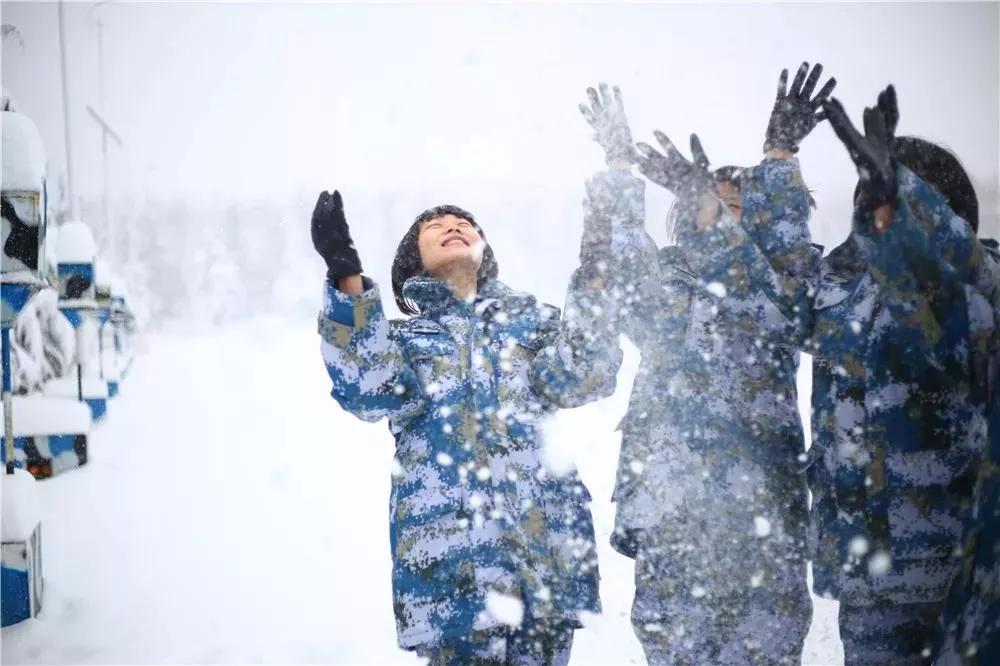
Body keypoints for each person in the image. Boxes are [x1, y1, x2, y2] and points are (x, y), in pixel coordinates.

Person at [311, 175, 627, 663]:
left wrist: (598, 263)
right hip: (450, 573)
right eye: (435, 226)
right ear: (413, 259)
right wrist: (345, 271)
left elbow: (585, 373)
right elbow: (368, 390)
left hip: (544, 566)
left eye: (465, 224)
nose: (454, 227)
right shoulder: (406, 338)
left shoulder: (534, 323)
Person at [578, 64, 834, 665]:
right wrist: (618, 164)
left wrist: (778, 157)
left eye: (738, 208)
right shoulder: (666, 280)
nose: (720, 213)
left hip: (762, 522)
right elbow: (616, 267)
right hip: (673, 521)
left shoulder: (778, 288)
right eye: (709, 203)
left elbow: (781, 294)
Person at [809, 85, 996, 665]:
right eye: (871, 193)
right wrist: (776, 167)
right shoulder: (840, 285)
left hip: (956, 566)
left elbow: (951, 280)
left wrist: (908, 198)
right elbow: (766, 293)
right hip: (870, 571)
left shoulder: (978, 283)